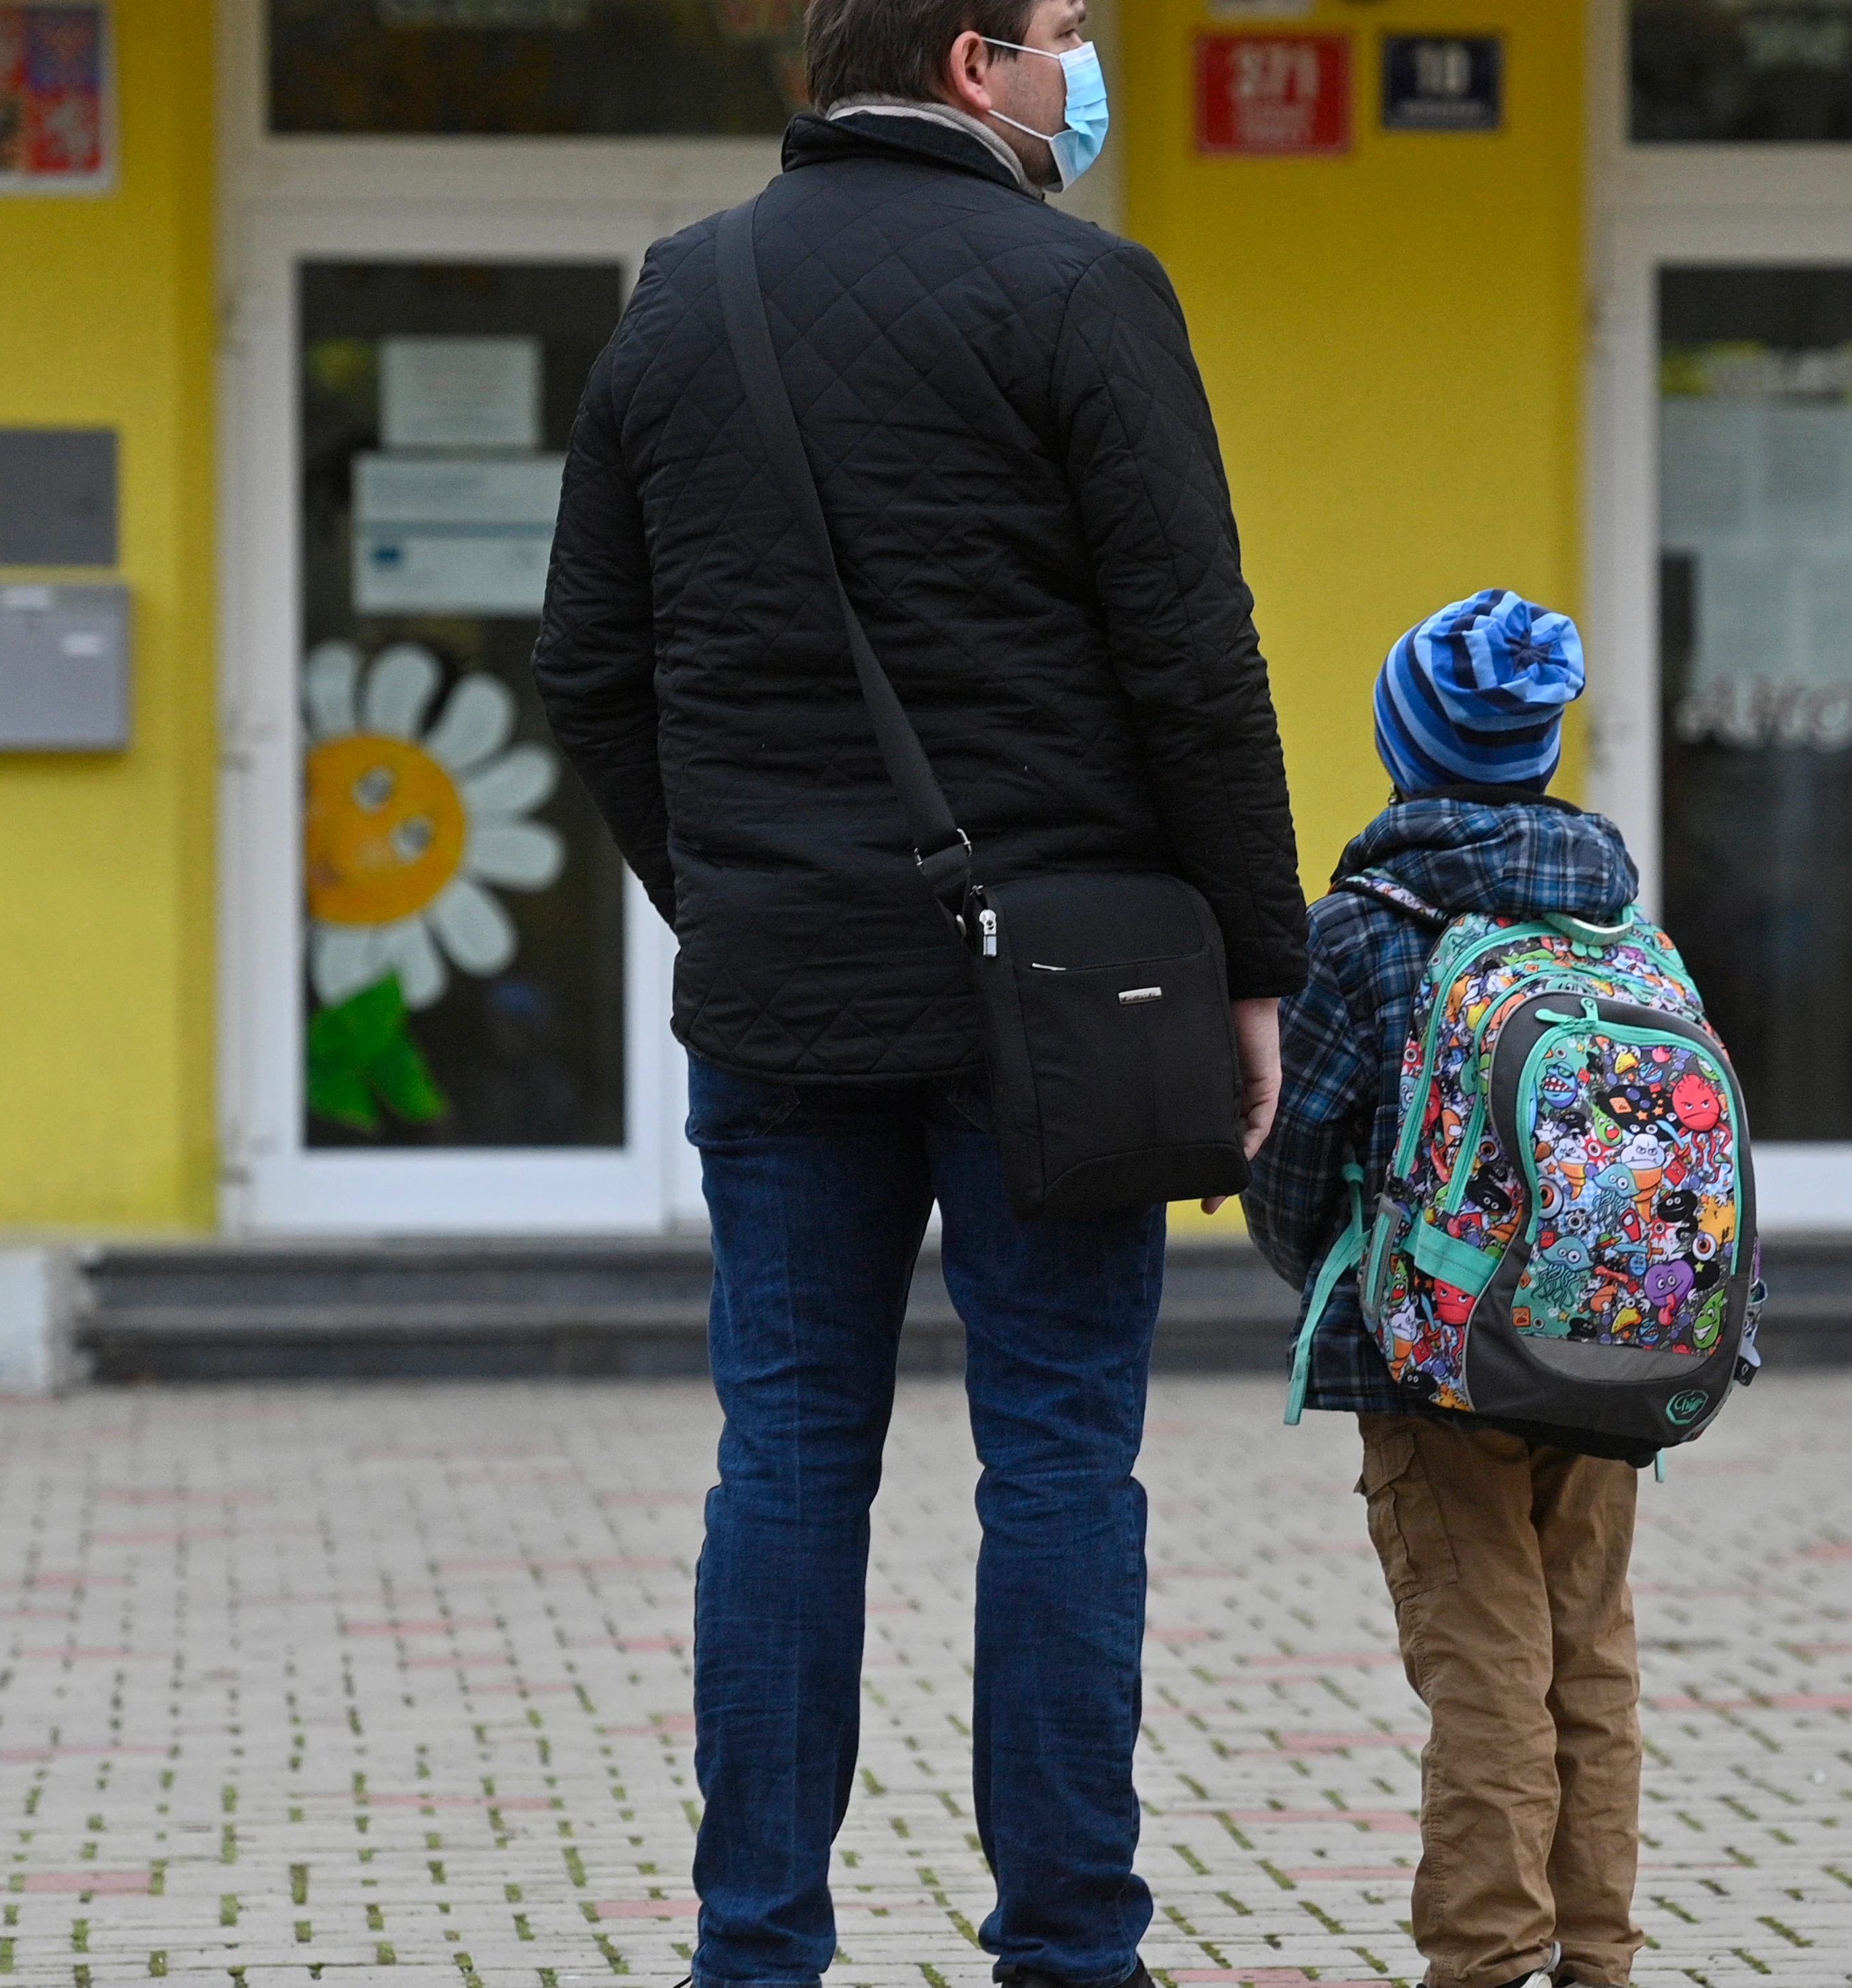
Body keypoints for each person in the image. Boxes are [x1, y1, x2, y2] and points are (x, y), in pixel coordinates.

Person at [529, 1, 1309, 1981]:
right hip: (1073, 993)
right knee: (1058, 1449)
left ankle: (757, 1943)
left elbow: (588, 669)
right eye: (1065, 29)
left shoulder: (684, 302)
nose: (1086, 61)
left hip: (784, 992)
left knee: (785, 1451)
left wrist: (725, 893)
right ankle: (1068, 1944)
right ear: (975, 63)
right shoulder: (1082, 292)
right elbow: (1193, 662)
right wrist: (1255, 960)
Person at [1245, 591, 1646, 1988]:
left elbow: (1290, 1163)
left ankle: (1479, 1962)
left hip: (1434, 1369)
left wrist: (1351, 1279)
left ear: (1400, 743)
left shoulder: (1361, 930)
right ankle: (1597, 1959)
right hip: (1608, 1354)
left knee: (1480, 1670)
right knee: (1583, 1660)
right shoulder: (1616, 919)